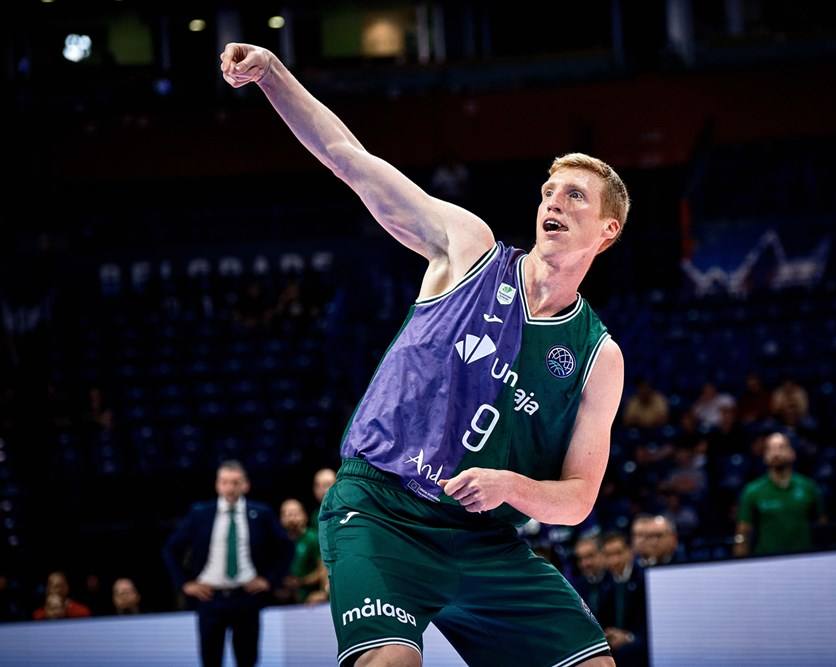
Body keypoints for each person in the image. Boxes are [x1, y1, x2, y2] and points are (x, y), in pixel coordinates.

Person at [220, 42, 626, 667]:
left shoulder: (599, 357)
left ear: (608, 230)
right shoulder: (470, 249)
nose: (553, 201)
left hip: (484, 539)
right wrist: (273, 75)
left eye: (575, 196)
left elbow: (577, 500)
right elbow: (348, 161)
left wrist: (509, 485)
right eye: (549, 191)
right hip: (382, 508)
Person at [162, 461, 293, 667]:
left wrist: (269, 580)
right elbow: (171, 549)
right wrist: (185, 584)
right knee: (210, 660)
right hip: (210, 599)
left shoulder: (261, 513)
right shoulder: (200, 514)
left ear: (245, 485)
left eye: (235, 482)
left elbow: (286, 547)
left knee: (247, 659)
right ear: (217, 485)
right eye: (224, 482)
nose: (230, 488)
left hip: (246, 599)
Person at [734, 433, 826, 556]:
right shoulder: (752, 491)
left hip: (804, 558)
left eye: (781, 447)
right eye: (770, 449)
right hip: (767, 560)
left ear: (792, 453)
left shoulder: (808, 487)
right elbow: (743, 532)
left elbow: (822, 525)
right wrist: (740, 558)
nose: (776, 453)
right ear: (765, 456)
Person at [597, 534, 648, 667]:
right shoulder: (604, 583)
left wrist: (629, 637)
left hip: (641, 646)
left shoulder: (644, 578)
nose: (614, 560)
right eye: (609, 555)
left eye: (618, 553)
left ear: (630, 551)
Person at [278, 498, 323, 604]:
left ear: (304, 516)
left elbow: (323, 568)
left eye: (296, 513)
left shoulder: (313, 538)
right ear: (281, 519)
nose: (292, 518)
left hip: (311, 595)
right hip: (285, 597)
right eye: (287, 514)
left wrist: (302, 582)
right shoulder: (278, 541)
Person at [569, 535, 609, 620]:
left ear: (602, 554)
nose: (585, 563)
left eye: (590, 556)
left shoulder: (614, 580)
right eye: (581, 559)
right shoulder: (576, 588)